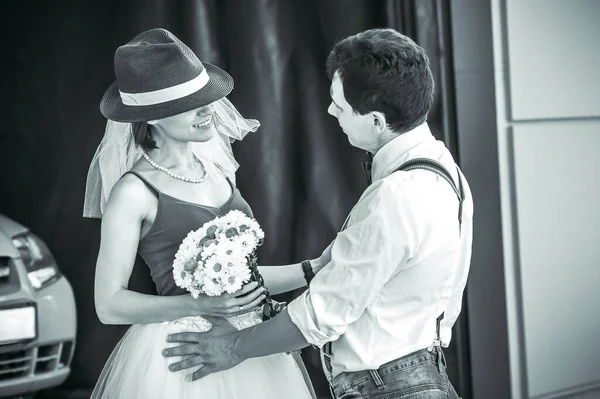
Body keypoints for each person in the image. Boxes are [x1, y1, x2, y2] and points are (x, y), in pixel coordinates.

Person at [162, 28, 474, 398]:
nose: (330, 111)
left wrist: (231, 347)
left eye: (339, 106)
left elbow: (319, 317)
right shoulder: (440, 164)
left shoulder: (397, 196)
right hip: (416, 369)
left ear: (376, 121)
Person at [83, 28, 318, 399]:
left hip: (249, 346)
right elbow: (108, 304)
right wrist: (200, 305)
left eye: (206, 97)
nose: (209, 108)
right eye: (192, 103)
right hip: (187, 357)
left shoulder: (216, 170)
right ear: (153, 117)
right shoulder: (133, 193)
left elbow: (243, 282)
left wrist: (312, 269)